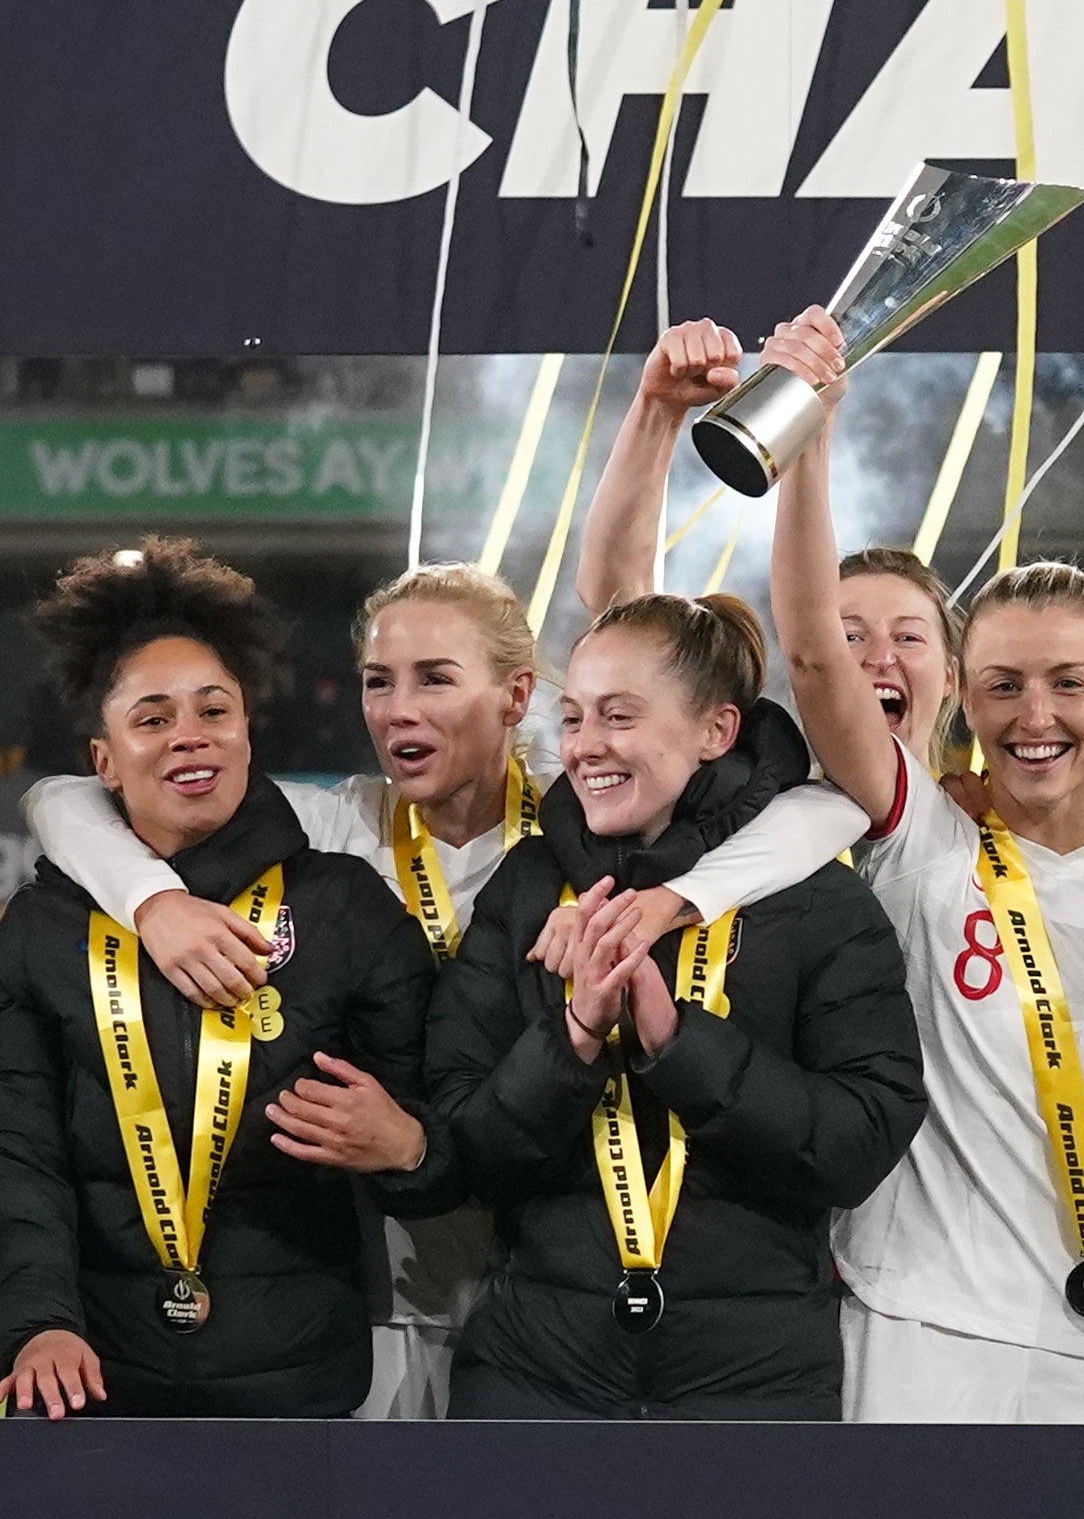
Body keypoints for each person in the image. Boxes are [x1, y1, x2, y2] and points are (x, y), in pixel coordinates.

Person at [18, 562, 865, 1419]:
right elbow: (66, 800)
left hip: (532, 1287)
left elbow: (829, 812)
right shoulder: (329, 830)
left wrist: (677, 901)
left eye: (435, 679)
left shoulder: (584, 832)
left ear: (516, 695)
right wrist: (153, 902)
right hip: (376, 1291)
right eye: (377, 683)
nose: (397, 710)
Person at [771, 381, 1084, 1422]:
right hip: (923, 1328)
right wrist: (808, 438)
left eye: (1070, 683)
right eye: (1004, 684)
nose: (1035, 716)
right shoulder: (921, 842)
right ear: (963, 697)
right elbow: (811, 657)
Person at [425, 594, 924, 1419]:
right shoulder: (527, 887)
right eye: (575, 718)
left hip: (753, 1391)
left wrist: (672, 1038)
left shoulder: (815, 899)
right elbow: (462, 1142)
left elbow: (859, 1140)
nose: (586, 747)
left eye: (620, 716)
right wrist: (575, 1035)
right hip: (535, 1379)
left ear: (716, 732)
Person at [0, 541, 451, 1417]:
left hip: (300, 1377)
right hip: (92, 1371)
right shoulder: (45, 926)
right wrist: (35, 1322)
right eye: (153, 717)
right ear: (103, 760)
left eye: (215, 708)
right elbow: (22, 1154)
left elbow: (447, 1129)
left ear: (248, 729)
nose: (190, 735)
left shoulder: (341, 906)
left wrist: (410, 1147)